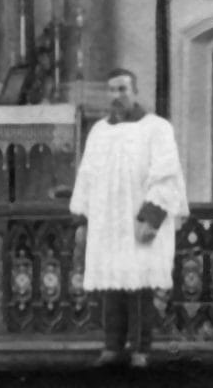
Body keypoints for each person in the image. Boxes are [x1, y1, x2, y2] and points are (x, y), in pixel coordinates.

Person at [70, 68, 187, 369]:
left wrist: (151, 217)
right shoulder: (98, 131)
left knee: (139, 285)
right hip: (108, 223)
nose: (117, 96)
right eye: (112, 90)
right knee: (112, 284)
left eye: (122, 89)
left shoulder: (157, 128)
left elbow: (167, 175)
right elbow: (86, 176)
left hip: (139, 220)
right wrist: (83, 220)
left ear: (135, 91)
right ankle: (111, 346)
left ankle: (140, 349)